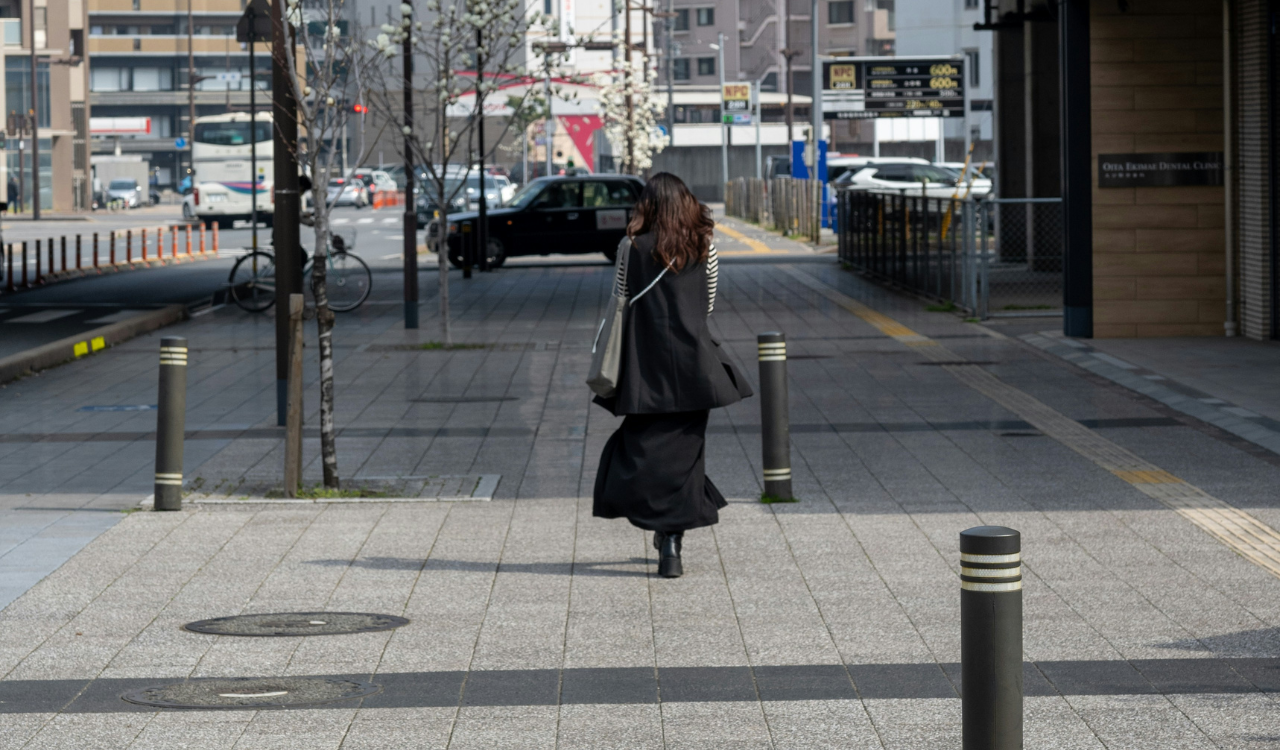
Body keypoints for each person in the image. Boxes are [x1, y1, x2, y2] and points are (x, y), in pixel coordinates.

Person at [592, 172, 752, 578]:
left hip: (644, 368)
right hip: (694, 368)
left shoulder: (630, 247)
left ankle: (662, 532)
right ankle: (672, 545)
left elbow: (621, 299)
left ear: (647, 205)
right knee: (685, 457)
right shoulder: (705, 248)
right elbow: (708, 307)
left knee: (640, 447)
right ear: (686, 203)